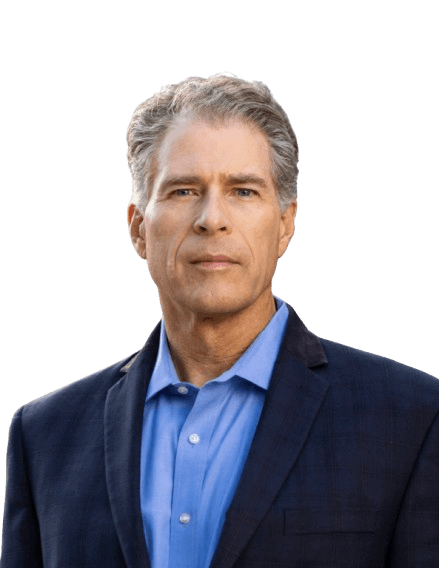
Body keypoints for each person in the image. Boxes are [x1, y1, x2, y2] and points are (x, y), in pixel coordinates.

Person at [1, 72, 439, 568]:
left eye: (243, 191)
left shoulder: (411, 418)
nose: (212, 218)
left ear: (285, 224)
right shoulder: (46, 435)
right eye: (184, 191)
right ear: (139, 228)